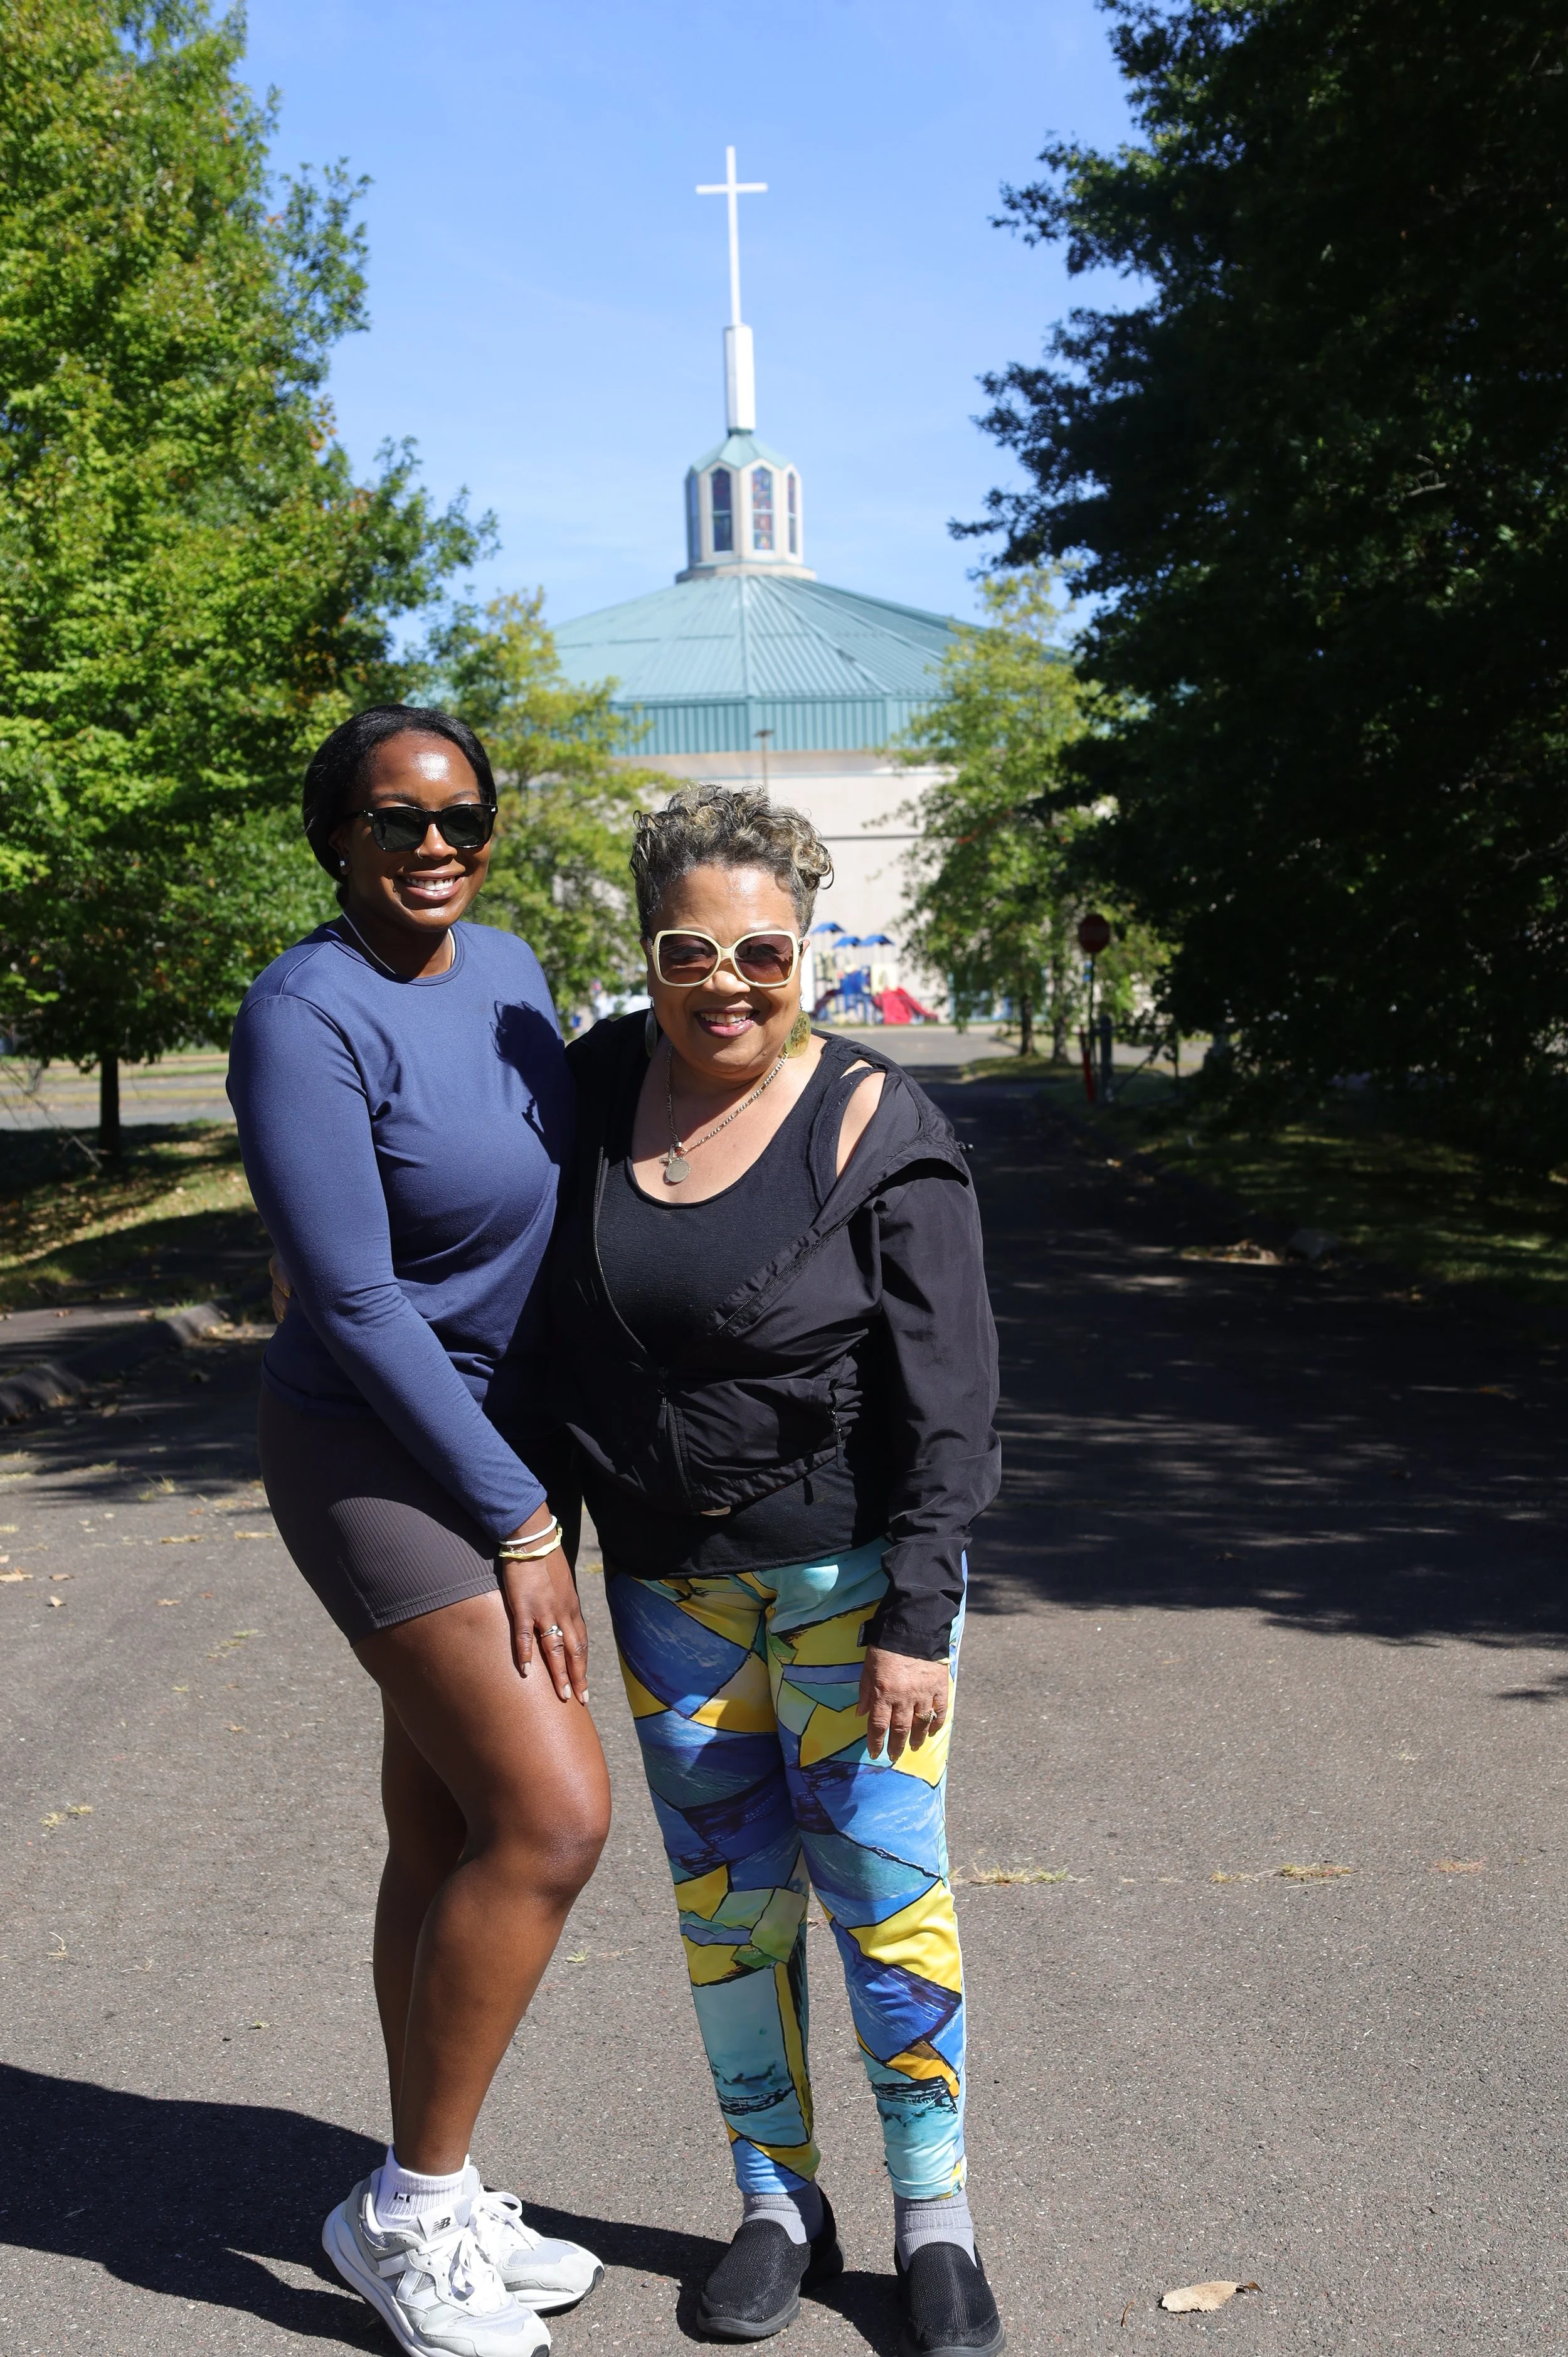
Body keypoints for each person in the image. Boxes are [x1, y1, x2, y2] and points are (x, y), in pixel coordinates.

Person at [549, 784, 1005, 2357]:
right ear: (648, 952)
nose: (726, 980)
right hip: (666, 1596)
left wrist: (917, 1618)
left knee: (886, 1908)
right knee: (728, 1914)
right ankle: (773, 2201)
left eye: (762, 950)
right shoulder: (596, 1090)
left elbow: (953, 1403)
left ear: (805, 948)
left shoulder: (879, 1126)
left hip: (848, 1593)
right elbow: (535, 1315)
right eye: (691, 948)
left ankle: (931, 2221)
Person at [227, 706, 610, 2357]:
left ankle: (425, 2192)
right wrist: (517, 1516)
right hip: (381, 1456)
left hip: (517, 1448)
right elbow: (360, 1300)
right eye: (398, 821)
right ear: (337, 836)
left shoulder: (513, 963)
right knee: (549, 1812)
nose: (436, 845)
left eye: (463, 815)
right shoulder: (303, 1014)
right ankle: (405, 2211)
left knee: (446, 1823)